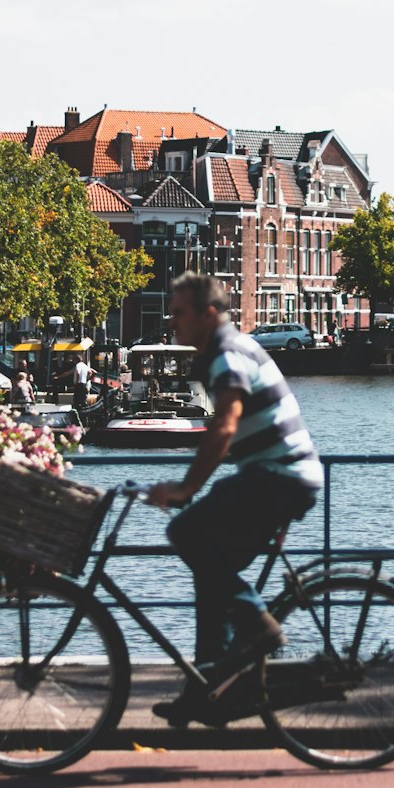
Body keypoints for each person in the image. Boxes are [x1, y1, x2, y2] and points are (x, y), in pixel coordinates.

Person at [148, 272, 323, 727]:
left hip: (279, 478)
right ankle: (208, 689)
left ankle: (259, 625)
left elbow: (223, 428)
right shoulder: (223, 353)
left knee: (184, 530)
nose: (172, 321)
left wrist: (186, 489)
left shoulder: (228, 354)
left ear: (208, 315)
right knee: (212, 572)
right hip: (277, 477)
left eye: (180, 313)